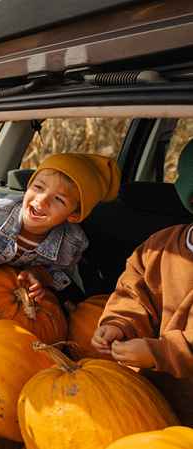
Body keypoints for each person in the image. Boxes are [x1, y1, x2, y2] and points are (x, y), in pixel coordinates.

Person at [92, 140, 193, 425]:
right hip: (155, 394)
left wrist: (159, 352)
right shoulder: (160, 246)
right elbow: (133, 293)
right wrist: (118, 325)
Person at [0, 153, 120, 302]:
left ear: (74, 215)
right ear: (29, 186)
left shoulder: (72, 243)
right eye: (38, 187)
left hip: (14, 298)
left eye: (59, 199)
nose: (41, 200)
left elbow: (61, 272)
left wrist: (40, 275)